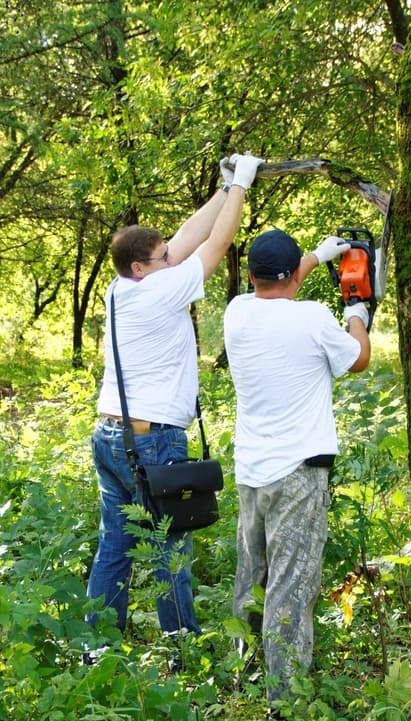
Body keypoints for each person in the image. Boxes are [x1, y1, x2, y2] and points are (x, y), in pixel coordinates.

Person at [87, 152, 264, 646]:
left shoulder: (121, 287)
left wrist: (225, 187)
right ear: (142, 268)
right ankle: (182, 648)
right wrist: (244, 187)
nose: (174, 259)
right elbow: (215, 244)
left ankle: (96, 646)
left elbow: (188, 236)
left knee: (114, 548)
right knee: (170, 547)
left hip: (111, 436)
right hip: (151, 440)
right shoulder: (158, 291)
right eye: (164, 258)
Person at [223, 228, 371, 704]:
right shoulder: (313, 319)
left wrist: (317, 256)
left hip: (252, 471)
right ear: (293, 277)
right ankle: (284, 702)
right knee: (290, 585)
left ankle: (240, 674)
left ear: (250, 276)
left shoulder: (237, 312)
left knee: (253, 578)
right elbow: (359, 359)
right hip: (299, 474)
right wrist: (356, 314)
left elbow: (279, 291)